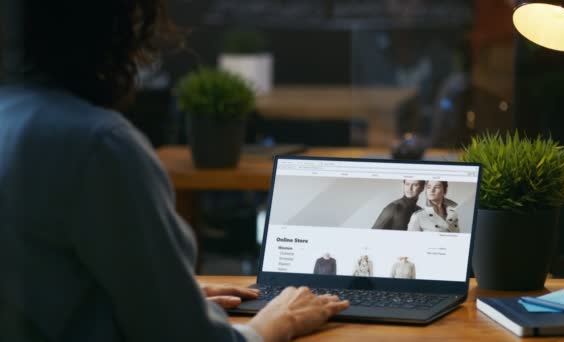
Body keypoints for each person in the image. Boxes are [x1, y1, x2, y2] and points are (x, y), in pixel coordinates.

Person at [0, 1, 348, 341]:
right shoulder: (99, 145)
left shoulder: (12, 118)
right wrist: (275, 323)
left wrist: (172, 300)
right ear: (116, 26)